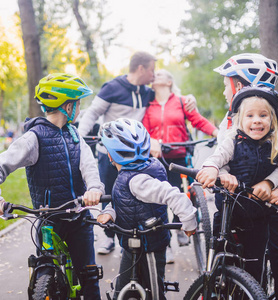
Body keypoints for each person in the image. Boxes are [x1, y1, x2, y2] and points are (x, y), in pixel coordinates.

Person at [0, 73, 105, 300]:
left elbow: (89, 166)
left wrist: (94, 188)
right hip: (48, 220)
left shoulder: (75, 135)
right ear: (68, 106)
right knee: (44, 271)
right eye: (77, 104)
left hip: (79, 218)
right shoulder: (34, 137)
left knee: (89, 278)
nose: (79, 108)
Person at [78, 51, 197, 255]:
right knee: (109, 192)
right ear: (141, 68)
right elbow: (92, 114)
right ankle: (109, 239)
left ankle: (147, 239)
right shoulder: (112, 88)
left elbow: (168, 98)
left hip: (136, 156)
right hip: (110, 154)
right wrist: (78, 139)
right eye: (152, 70)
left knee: (143, 195)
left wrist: (188, 98)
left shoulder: (146, 92)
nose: (154, 75)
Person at [212, 53, 278, 300]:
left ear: (239, 85)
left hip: (273, 197)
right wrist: (221, 173)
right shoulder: (231, 117)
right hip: (241, 200)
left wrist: (270, 181)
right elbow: (222, 157)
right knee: (238, 253)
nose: (224, 93)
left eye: (225, 86)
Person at [96, 118, 197, 300]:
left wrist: (189, 221)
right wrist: (110, 213)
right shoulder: (130, 175)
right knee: (123, 289)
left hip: (149, 246)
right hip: (132, 245)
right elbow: (123, 201)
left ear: (111, 156)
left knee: (153, 292)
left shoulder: (138, 180)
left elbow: (174, 195)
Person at [141, 69, 218, 260]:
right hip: (157, 158)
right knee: (158, 200)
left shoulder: (182, 102)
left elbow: (198, 121)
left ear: (169, 81)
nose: (154, 77)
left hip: (179, 156)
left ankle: (181, 225)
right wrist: (151, 141)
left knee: (178, 191)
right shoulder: (148, 105)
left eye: (159, 75)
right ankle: (164, 243)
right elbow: (143, 129)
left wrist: (218, 133)